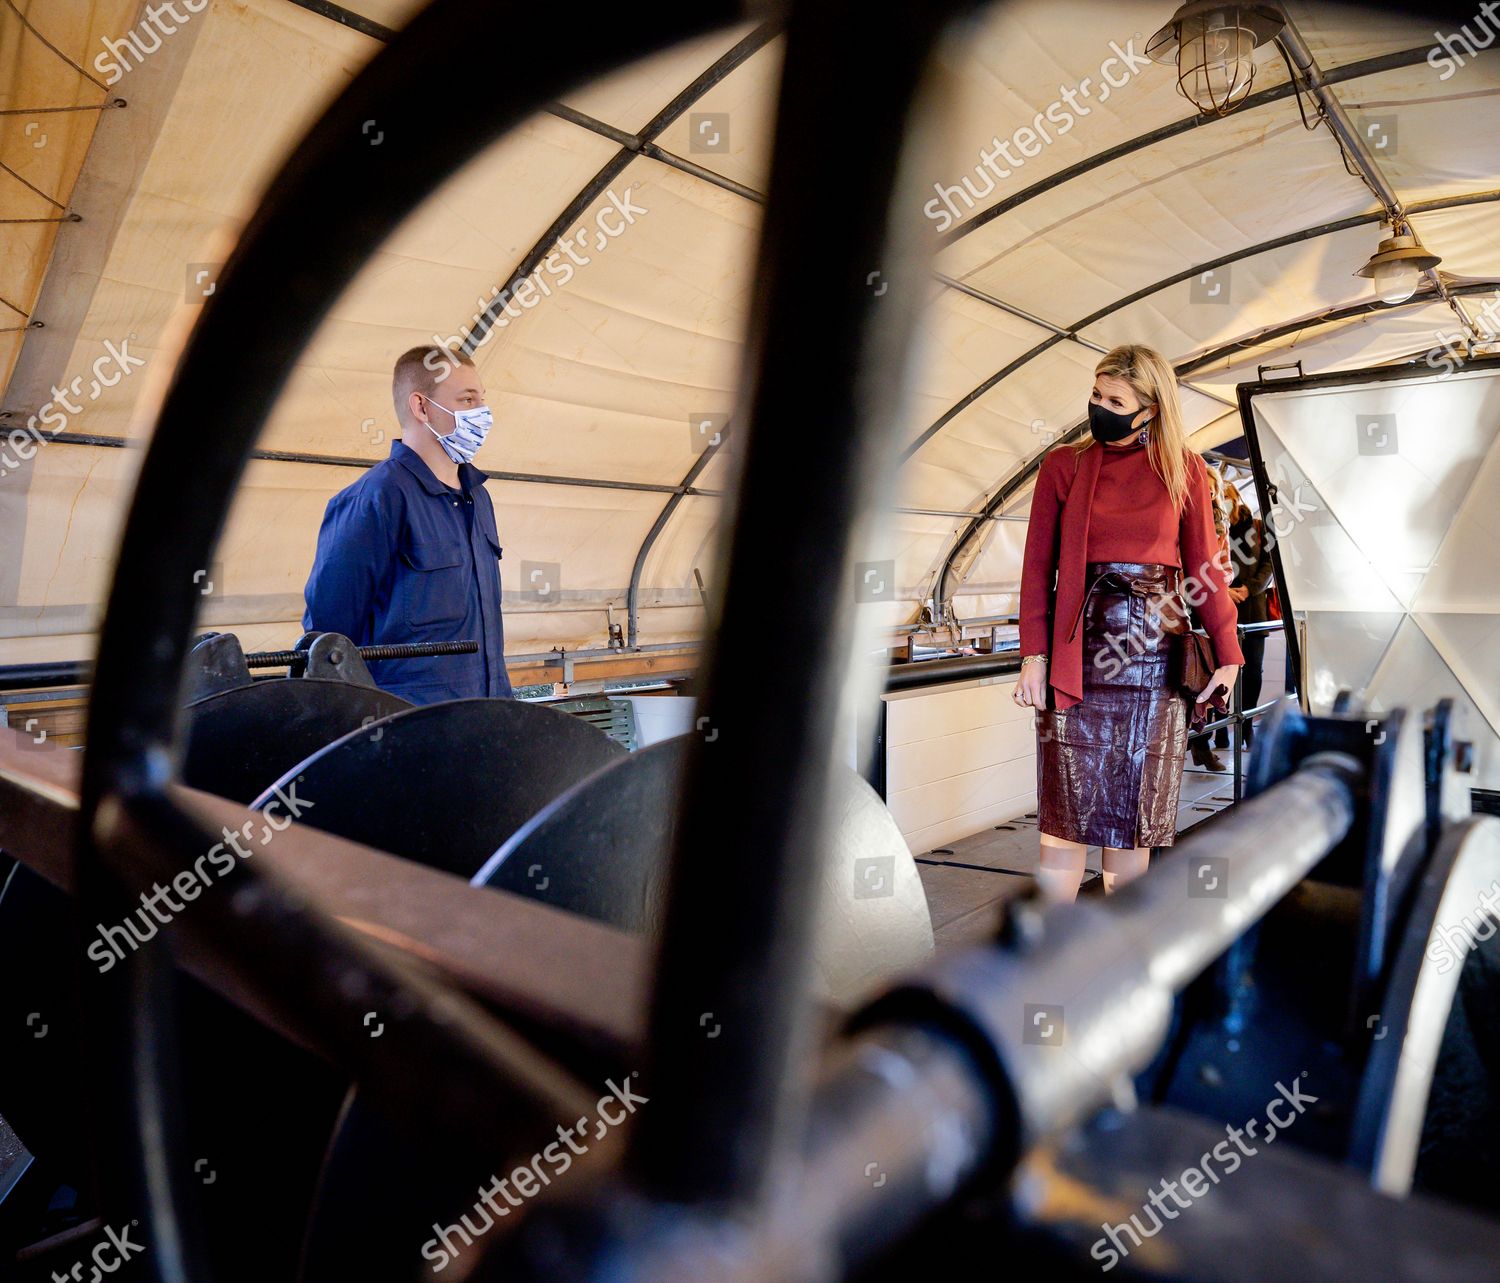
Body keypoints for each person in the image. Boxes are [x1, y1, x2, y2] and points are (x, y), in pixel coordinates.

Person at [1013, 344, 1243, 902]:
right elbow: (1037, 569)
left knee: (1133, 824)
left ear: (1151, 409)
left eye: (1115, 399)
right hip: (1077, 655)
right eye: (1096, 394)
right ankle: (1049, 955)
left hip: (1154, 657)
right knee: (1062, 828)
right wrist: (1033, 657)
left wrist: (1230, 653)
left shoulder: (1183, 467)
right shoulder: (1062, 466)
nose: (1100, 406)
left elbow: (1205, 569)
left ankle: (1114, 962)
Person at [303, 345, 513, 705]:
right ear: (421, 407)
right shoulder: (375, 499)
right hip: (409, 730)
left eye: (482, 400)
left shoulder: (478, 497)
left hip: (489, 718)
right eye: (466, 400)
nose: (482, 412)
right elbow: (330, 643)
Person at [1213, 481, 1273, 753]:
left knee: (1253, 672)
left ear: (1236, 497)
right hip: (1220, 608)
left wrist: (1249, 588)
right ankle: (1220, 726)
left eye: (1226, 496)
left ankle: (1246, 725)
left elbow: (1270, 564)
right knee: (1220, 670)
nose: (1222, 501)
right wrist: (1223, 591)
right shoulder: (1213, 526)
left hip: (1253, 610)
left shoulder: (1259, 527)